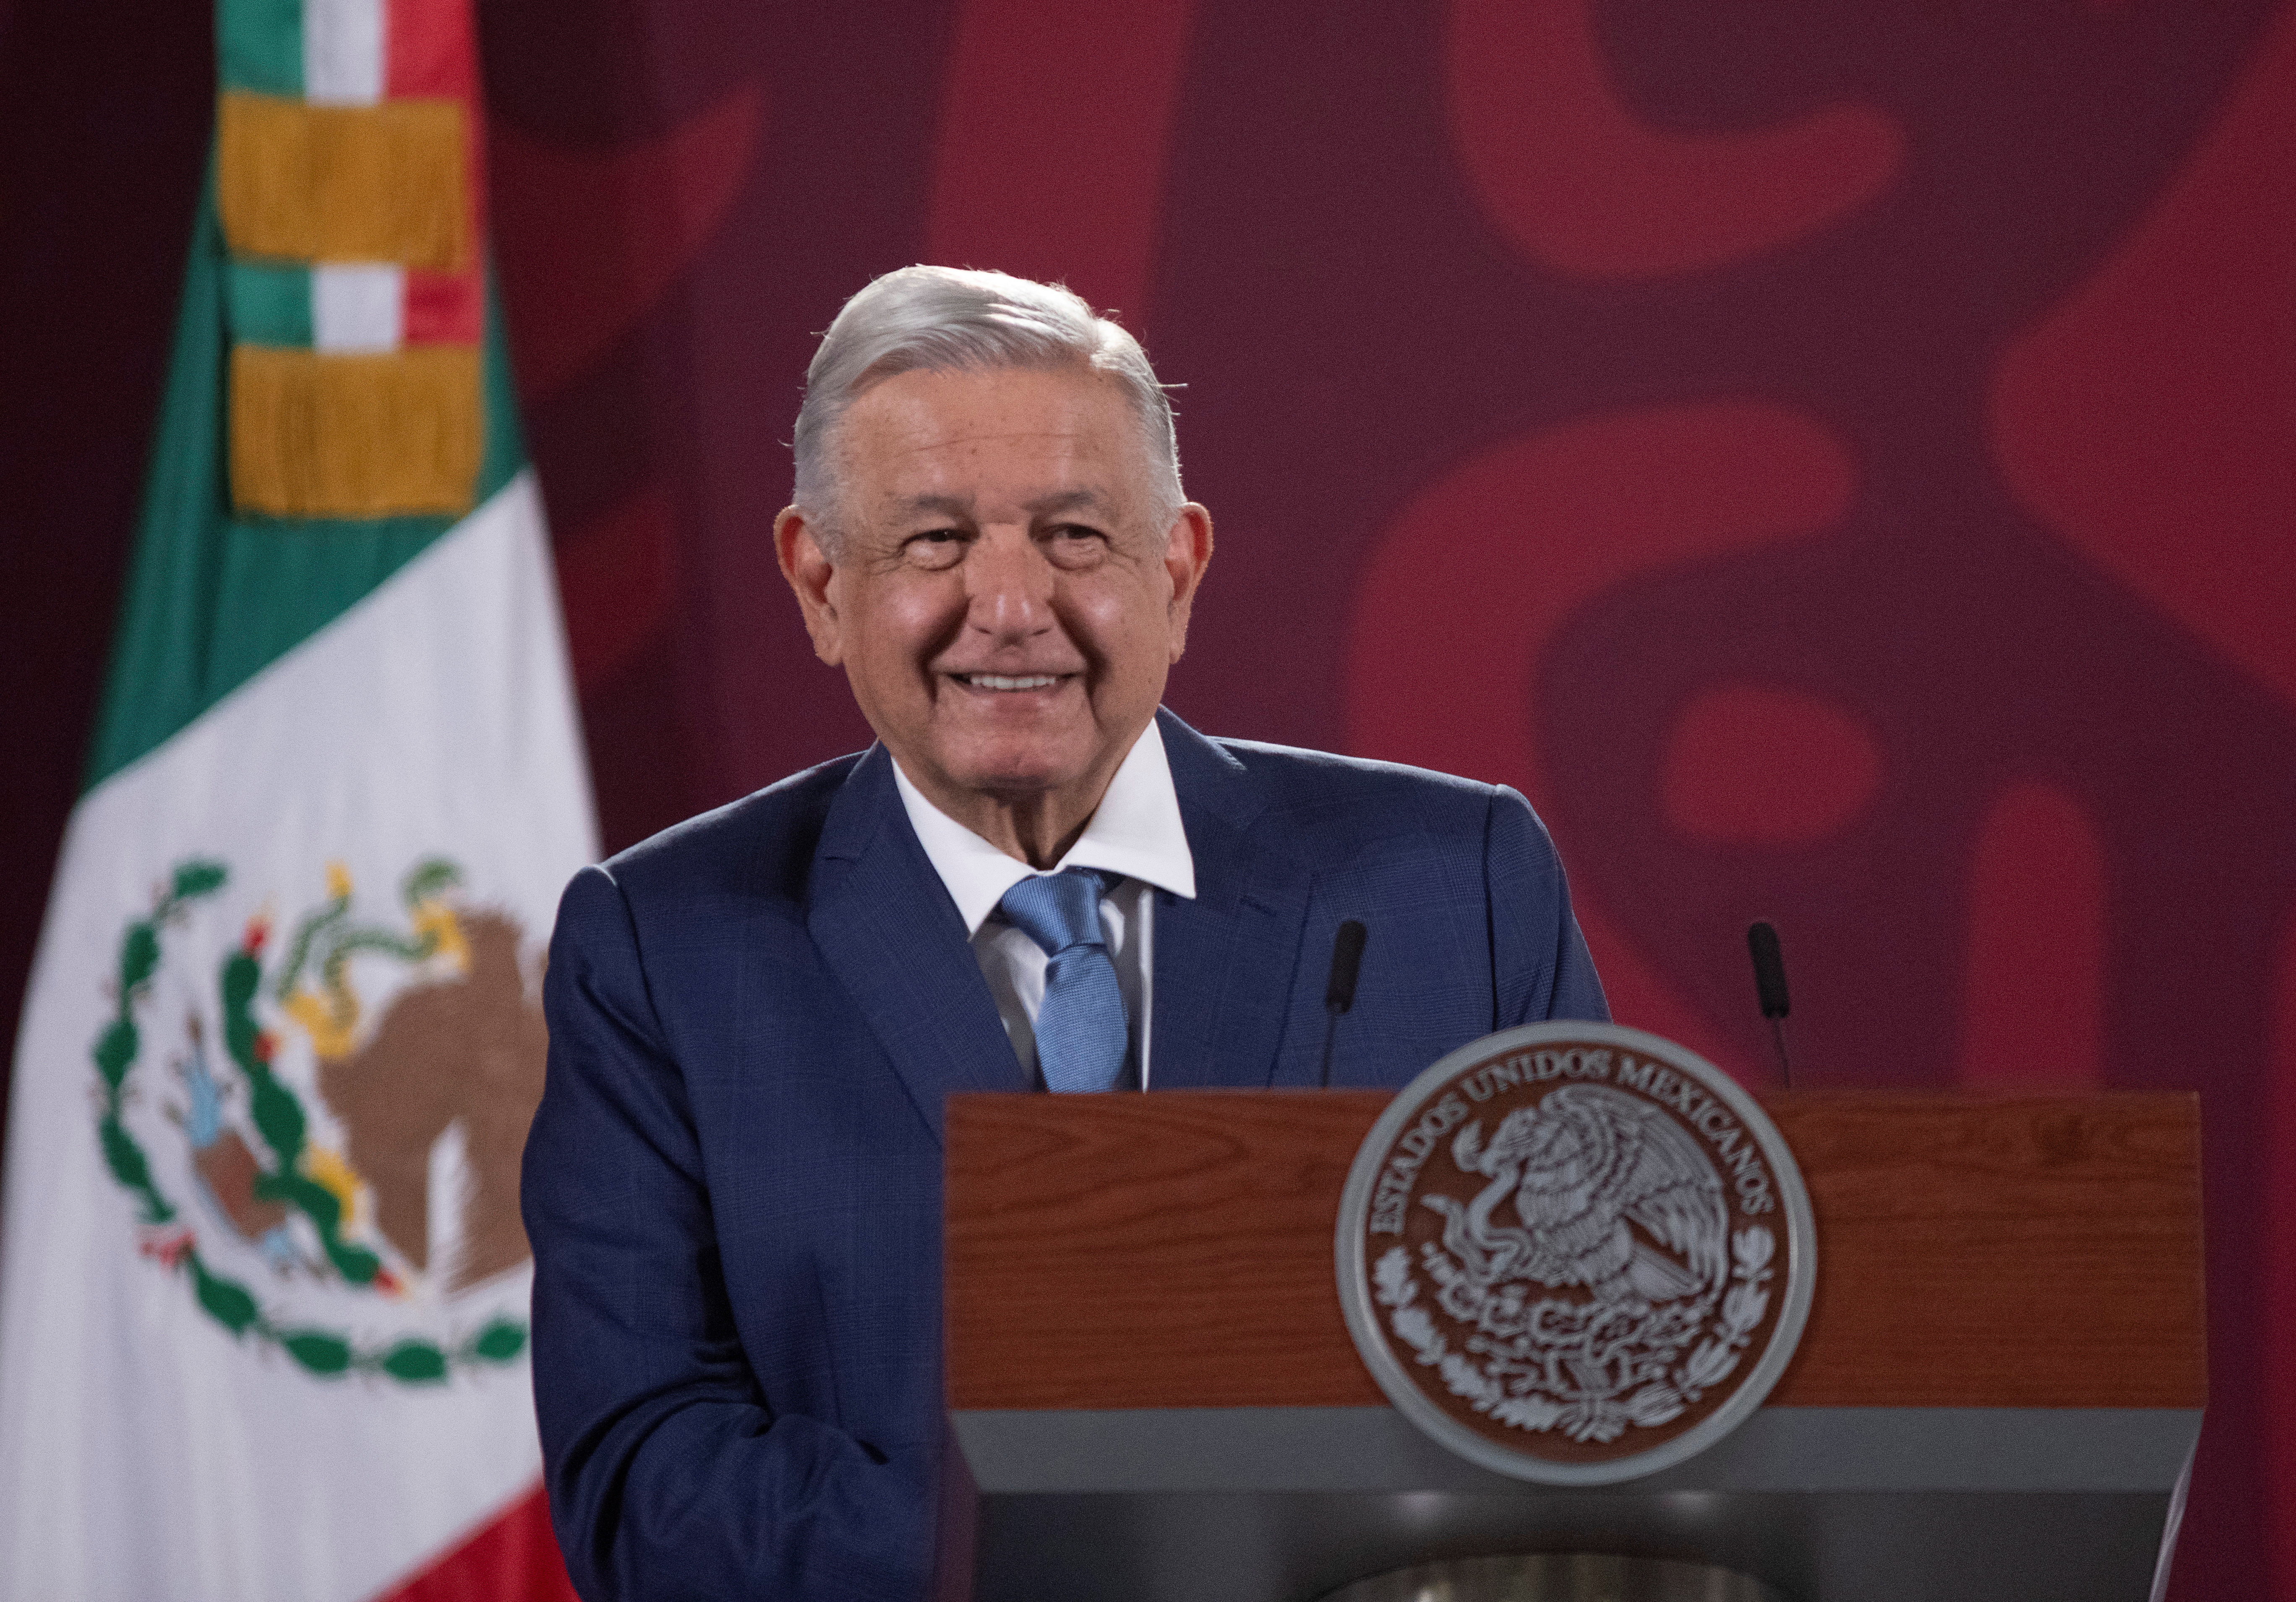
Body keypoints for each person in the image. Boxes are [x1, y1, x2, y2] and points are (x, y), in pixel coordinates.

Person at [522, 266, 1608, 1601]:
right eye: (932, 541)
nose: (1013, 603)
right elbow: (645, 1487)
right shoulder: (662, 953)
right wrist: (1124, 1537)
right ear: (818, 583)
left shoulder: (1462, 887)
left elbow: (1601, 1370)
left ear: (1178, 567)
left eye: (1076, 535)